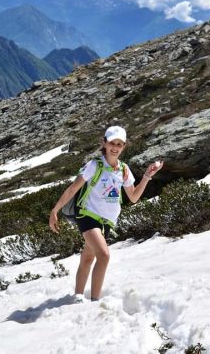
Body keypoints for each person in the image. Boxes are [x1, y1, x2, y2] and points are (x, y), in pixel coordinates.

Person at [49, 126, 163, 301]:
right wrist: (55, 210)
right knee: (104, 255)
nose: (115, 147)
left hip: (107, 222)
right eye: (112, 143)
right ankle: (95, 300)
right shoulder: (94, 165)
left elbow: (133, 197)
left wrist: (147, 176)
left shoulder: (124, 169)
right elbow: (73, 188)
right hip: (87, 215)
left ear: (124, 146)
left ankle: (77, 296)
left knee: (88, 258)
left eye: (119, 144)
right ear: (104, 143)